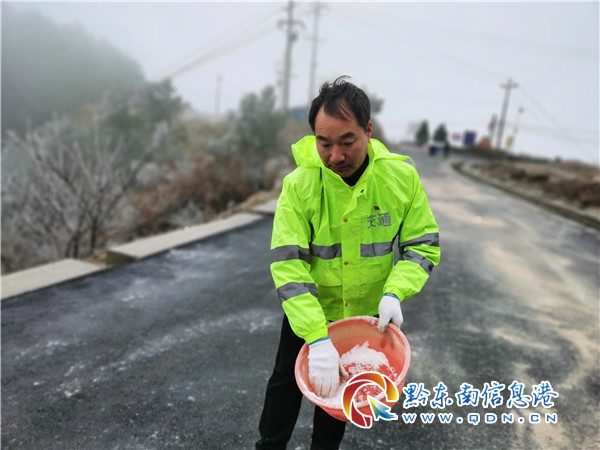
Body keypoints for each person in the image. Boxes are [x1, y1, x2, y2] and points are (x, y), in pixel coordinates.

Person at [255, 76, 440, 450]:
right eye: (324, 143)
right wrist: (316, 335)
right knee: (285, 382)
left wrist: (395, 293)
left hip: (362, 315)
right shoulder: (300, 185)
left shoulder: (399, 179)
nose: (335, 156)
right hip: (310, 309)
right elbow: (288, 265)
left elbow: (423, 245)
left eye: (347, 141)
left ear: (368, 131)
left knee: (341, 392)